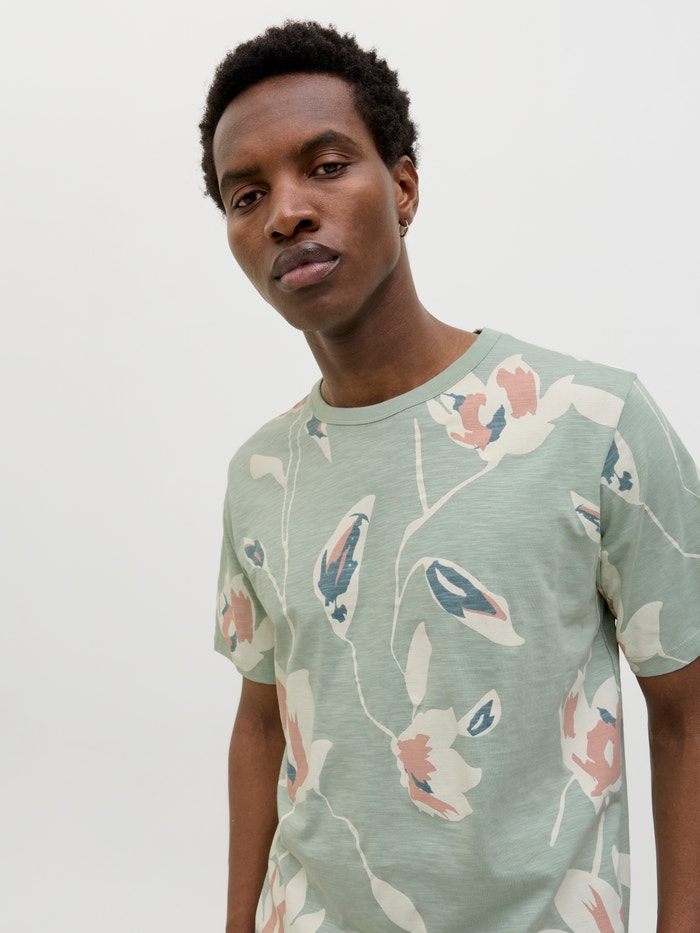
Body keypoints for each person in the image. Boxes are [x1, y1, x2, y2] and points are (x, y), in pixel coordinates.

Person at [200, 21, 700, 933]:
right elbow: (265, 723)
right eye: (247, 195)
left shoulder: (592, 421)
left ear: (404, 186)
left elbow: (687, 713)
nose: (286, 213)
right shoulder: (260, 474)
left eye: (326, 166)